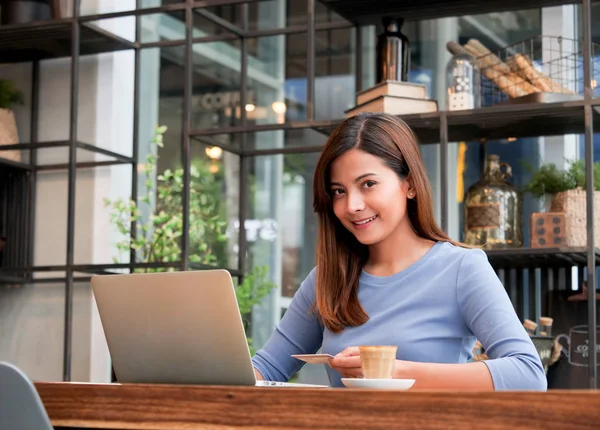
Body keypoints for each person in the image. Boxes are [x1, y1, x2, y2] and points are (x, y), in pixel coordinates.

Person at [251, 112, 547, 391]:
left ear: (410, 185)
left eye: (368, 184)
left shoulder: (460, 268)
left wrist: (398, 373)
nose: (351, 205)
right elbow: (266, 367)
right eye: (339, 191)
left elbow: (528, 374)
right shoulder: (327, 279)